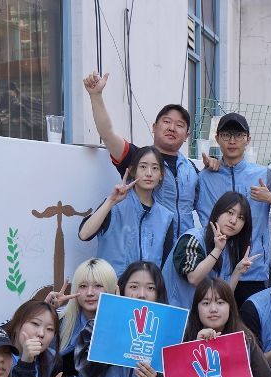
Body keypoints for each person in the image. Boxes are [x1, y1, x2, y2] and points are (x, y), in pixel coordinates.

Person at [196, 113, 271, 305]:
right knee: (216, 323)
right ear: (217, 138)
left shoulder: (264, 174)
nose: (232, 141)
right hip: (213, 269)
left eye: (238, 135)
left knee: (250, 323)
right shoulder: (204, 177)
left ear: (248, 140)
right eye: (226, 135)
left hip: (253, 271)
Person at [83, 71, 200, 237]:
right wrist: (96, 96)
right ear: (154, 127)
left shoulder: (192, 169)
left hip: (183, 248)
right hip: (149, 245)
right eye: (166, 122)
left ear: (187, 136)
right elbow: (108, 135)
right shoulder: (137, 158)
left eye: (179, 125)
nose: (172, 128)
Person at [79, 146, 175, 274]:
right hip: (111, 285)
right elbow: (84, 234)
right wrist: (111, 201)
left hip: (146, 286)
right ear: (133, 171)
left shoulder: (166, 217)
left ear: (161, 175)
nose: (149, 173)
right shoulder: (114, 205)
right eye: (143, 167)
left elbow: (165, 266)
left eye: (155, 168)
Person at [163, 191, 257, 308]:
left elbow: (223, 297)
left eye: (241, 217)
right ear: (218, 213)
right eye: (230, 212)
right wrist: (217, 250)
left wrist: (237, 272)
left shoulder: (229, 248)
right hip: (174, 313)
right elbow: (194, 278)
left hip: (203, 315)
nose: (233, 221)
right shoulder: (193, 238)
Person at [58, 258, 118, 377]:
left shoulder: (122, 327)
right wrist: (46, 312)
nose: (90, 293)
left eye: (98, 286)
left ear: (111, 289)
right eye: (83, 286)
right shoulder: (60, 321)